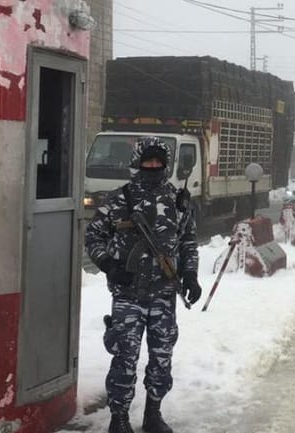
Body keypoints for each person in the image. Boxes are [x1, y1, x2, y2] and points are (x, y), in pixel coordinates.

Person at [85, 136, 202, 433]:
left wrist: (190, 275)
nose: (153, 166)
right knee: (124, 357)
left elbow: (188, 241)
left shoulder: (177, 200)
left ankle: (153, 413)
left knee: (162, 358)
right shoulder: (119, 199)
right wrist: (110, 266)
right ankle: (119, 418)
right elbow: (94, 236)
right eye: (147, 161)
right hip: (128, 294)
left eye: (158, 161)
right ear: (137, 163)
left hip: (164, 293)